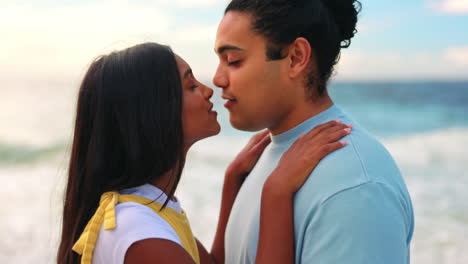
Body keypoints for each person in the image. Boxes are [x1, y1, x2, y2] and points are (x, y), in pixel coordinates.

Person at [56, 42, 351, 264]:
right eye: (190, 85)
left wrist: (232, 180)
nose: (209, 90)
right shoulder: (141, 236)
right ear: (155, 112)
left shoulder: (145, 207)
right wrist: (277, 192)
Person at [212, 0, 414, 263]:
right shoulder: (262, 159)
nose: (217, 78)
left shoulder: (354, 187)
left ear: (296, 58)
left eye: (233, 60)